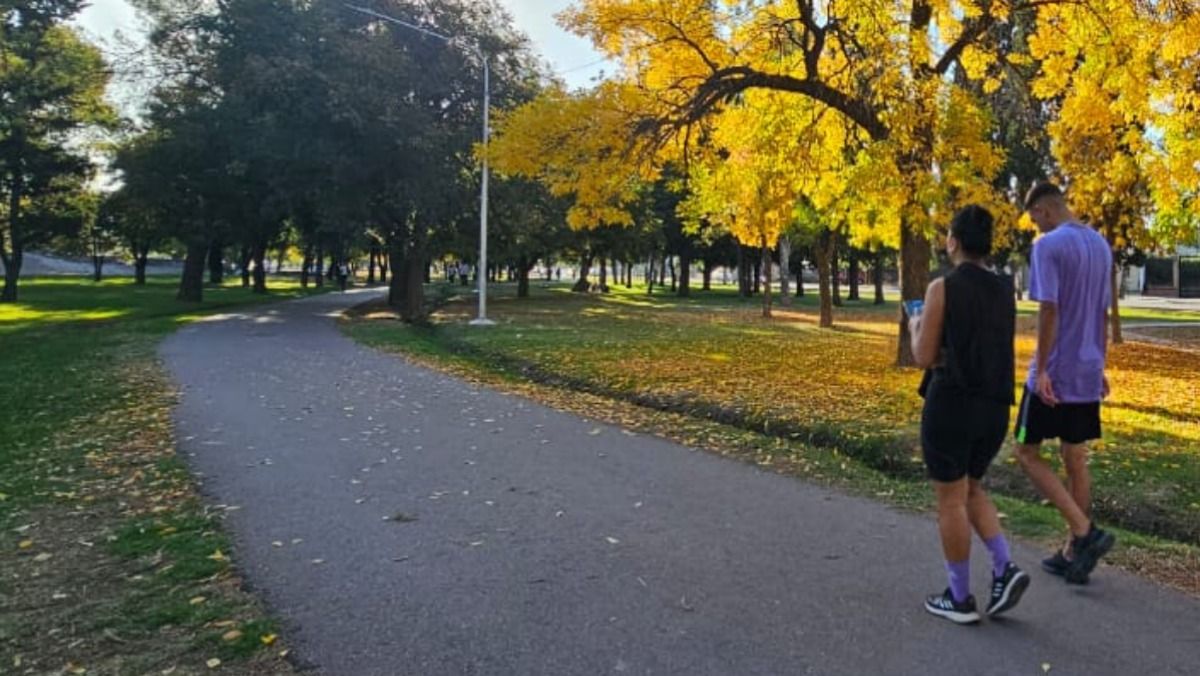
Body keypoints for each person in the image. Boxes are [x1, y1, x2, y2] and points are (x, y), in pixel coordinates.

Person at [909, 205, 1028, 624]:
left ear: (952, 241)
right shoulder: (1005, 289)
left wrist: (915, 325)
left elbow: (923, 356)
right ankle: (1004, 566)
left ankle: (959, 598)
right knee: (972, 489)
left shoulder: (944, 286)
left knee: (950, 502)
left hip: (952, 404)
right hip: (994, 407)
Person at [1013, 182, 1115, 585]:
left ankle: (1085, 533)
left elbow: (1049, 309)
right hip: (1088, 368)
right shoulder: (1101, 245)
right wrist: (1100, 363)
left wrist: (1042, 369)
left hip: (1055, 371)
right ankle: (1075, 554)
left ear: (1046, 210)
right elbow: (1102, 311)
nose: (1035, 225)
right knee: (1075, 459)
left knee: (1025, 451)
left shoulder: (1048, 246)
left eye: (1035, 217)